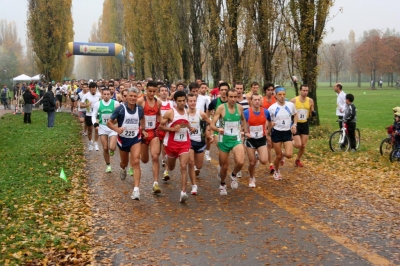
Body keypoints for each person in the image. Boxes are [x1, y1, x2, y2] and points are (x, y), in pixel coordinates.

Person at [107, 87, 145, 200]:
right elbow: (109, 122)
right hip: (123, 140)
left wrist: (143, 129)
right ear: (126, 97)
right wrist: (117, 129)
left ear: (137, 97)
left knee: (136, 161)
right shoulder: (120, 109)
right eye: (131, 96)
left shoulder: (139, 109)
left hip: (135, 138)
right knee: (124, 163)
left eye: (135, 96)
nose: (133, 98)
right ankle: (123, 168)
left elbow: (142, 119)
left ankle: (136, 190)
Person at [210, 88, 248, 195]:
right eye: (230, 97)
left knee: (240, 162)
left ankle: (234, 174)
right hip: (224, 140)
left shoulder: (239, 107)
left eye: (235, 97)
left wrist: (244, 131)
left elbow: (243, 119)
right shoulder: (221, 108)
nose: (233, 99)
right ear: (226, 97)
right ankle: (222, 184)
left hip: (236, 139)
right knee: (224, 167)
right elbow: (212, 124)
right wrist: (218, 129)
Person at [159, 90, 193, 203]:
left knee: (183, 166)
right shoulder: (170, 112)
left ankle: (183, 192)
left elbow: (186, 123)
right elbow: (160, 127)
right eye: (179, 101)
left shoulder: (187, 112)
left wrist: (191, 128)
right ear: (175, 101)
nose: (182, 103)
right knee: (172, 167)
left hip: (184, 143)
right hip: (172, 144)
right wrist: (172, 129)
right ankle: (167, 159)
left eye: (184, 101)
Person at [137, 81, 162, 194]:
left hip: (153, 132)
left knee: (155, 156)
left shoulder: (158, 102)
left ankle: (155, 183)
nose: (152, 94)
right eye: (150, 91)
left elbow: (159, 115)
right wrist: (141, 129)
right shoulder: (141, 101)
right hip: (143, 133)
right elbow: (135, 116)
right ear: (146, 90)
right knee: (145, 160)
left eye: (154, 91)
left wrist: (162, 123)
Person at [268, 87, 297, 180]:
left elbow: (295, 114)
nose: (282, 96)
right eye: (280, 94)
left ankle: (283, 154)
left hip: (287, 132)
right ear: (275, 96)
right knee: (278, 156)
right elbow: (268, 121)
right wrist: (270, 125)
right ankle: (276, 171)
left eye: (284, 94)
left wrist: (294, 125)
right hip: (276, 132)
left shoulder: (290, 105)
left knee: (289, 155)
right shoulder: (272, 108)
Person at [243, 93, 271, 187]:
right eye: (255, 100)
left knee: (264, 161)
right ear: (251, 101)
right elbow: (241, 125)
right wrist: (245, 132)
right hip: (250, 140)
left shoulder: (266, 112)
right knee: (252, 162)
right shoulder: (246, 112)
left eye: (259, 99)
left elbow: (270, 122)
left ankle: (257, 155)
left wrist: (268, 131)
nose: (257, 101)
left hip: (261, 139)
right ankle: (251, 178)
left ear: (261, 101)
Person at [187, 93, 212, 194]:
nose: (192, 103)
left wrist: (210, 134)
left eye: (194, 101)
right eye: (190, 101)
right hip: (189, 142)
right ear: (187, 102)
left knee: (199, 165)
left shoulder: (201, 114)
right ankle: (194, 186)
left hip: (200, 141)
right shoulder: (185, 113)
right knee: (191, 163)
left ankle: (196, 171)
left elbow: (210, 123)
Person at [92, 87, 120, 172]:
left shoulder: (116, 103)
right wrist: (95, 124)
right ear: (101, 94)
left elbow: (120, 115)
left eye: (108, 94)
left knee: (112, 147)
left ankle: (112, 150)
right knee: (105, 148)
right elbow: (93, 115)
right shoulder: (98, 104)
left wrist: (117, 121)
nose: (106, 96)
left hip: (112, 127)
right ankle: (108, 165)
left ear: (111, 95)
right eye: (104, 94)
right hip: (103, 127)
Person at [290, 84, 315, 167]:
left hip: (305, 124)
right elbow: (287, 111)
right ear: (300, 91)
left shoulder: (310, 101)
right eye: (303, 90)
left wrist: (313, 113)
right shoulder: (293, 101)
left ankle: (297, 160)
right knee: (298, 145)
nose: (305, 92)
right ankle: (290, 141)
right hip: (296, 124)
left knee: (303, 145)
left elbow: (312, 112)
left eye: (306, 91)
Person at [206, 82, 229, 163]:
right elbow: (208, 111)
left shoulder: (232, 102)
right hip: (217, 129)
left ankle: (223, 164)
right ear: (219, 91)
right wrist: (208, 122)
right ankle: (221, 166)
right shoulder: (215, 102)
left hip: (229, 130)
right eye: (222, 90)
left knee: (227, 151)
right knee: (221, 149)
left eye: (226, 90)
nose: (224, 91)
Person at [80, 82, 102, 151]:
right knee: (90, 130)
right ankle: (90, 142)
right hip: (89, 114)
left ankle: (95, 143)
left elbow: (102, 102)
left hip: (96, 115)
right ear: (89, 89)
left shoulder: (99, 95)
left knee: (97, 129)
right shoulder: (86, 96)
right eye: (92, 90)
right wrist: (87, 105)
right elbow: (81, 105)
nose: (93, 91)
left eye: (95, 90)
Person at [261, 83, 277, 173]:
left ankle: (280, 155)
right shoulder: (262, 101)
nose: (270, 92)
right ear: (265, 91)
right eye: (268, 90)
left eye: (272, 90)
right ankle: (271, 165)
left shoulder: (276, 99)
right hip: (266, 125)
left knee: (275, 145)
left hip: (277, 125)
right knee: (269, 145)